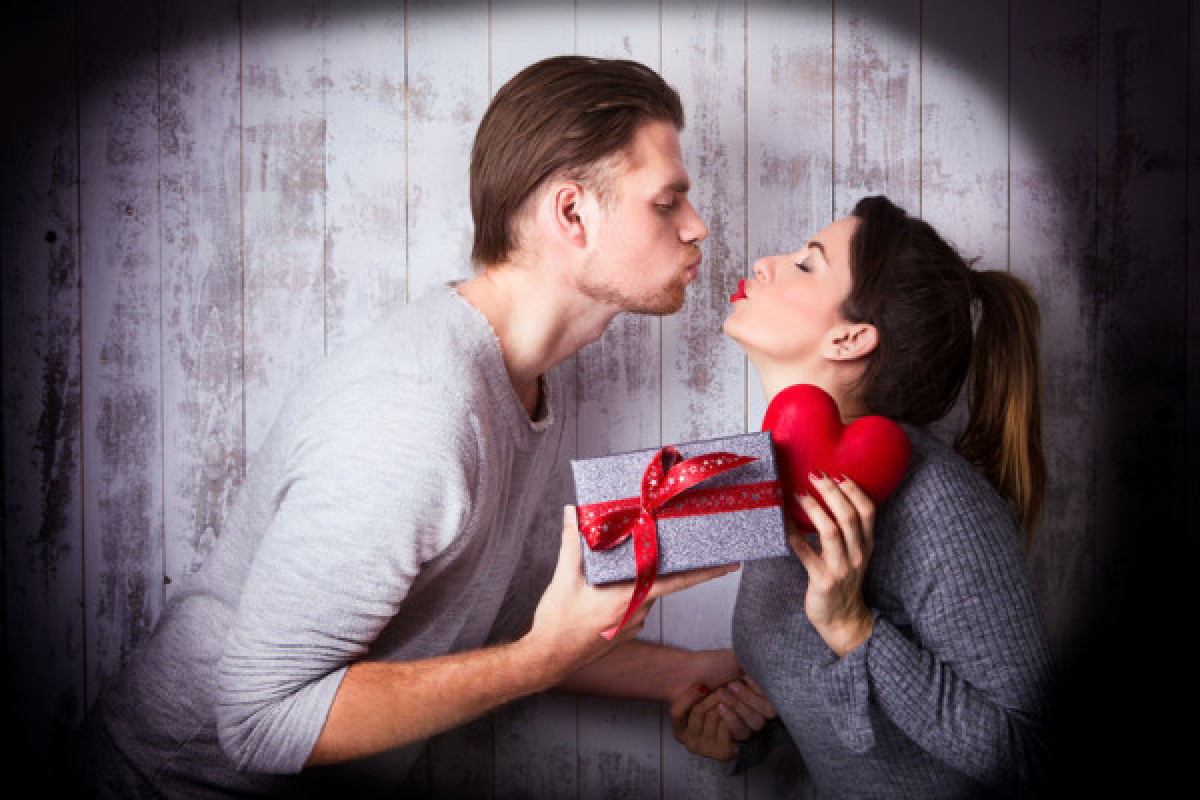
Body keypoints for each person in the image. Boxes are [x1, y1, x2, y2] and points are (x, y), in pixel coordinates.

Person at [76, 55, 754, 798]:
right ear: (571, 214)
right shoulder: (418, 411)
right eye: (667, 202)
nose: (698, 226)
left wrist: (684, 674)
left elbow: (484, 628)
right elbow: (259, 720)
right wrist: (543, 659)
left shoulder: (521, 380)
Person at [671, 195, 1054, 798]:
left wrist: (855, 629)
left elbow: (1032, 753)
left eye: (806, 264)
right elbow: (850, 710)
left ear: (851, 338)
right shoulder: (769, 471)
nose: (765, 263)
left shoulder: (943, 505)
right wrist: (750, 728)